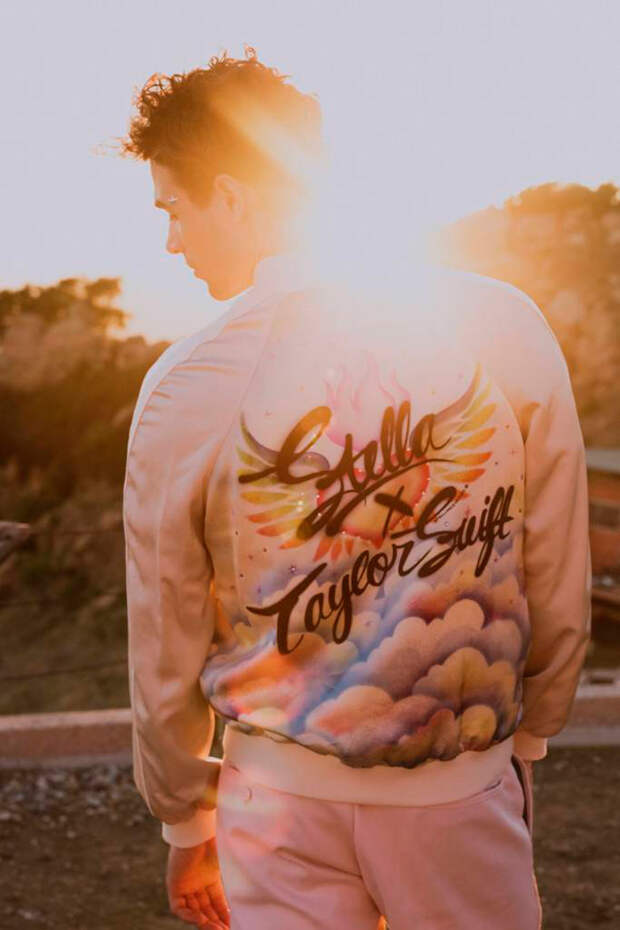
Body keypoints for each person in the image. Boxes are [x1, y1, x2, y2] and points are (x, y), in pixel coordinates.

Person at [121, 49, 592, 930]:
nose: (171, 242)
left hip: (273, 803)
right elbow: (556, 563)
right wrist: (528, 737)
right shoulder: (506, 328)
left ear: (232, 196)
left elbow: (165, 627)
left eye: (173, 209)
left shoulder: (187, 384)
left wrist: (185, 814)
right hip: (459, 787)